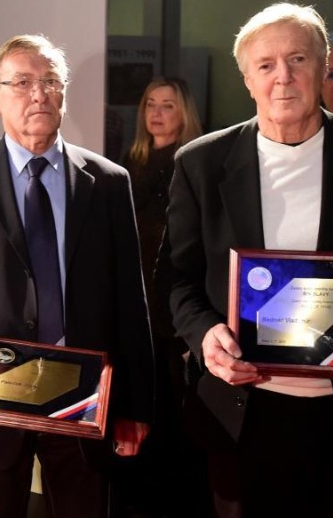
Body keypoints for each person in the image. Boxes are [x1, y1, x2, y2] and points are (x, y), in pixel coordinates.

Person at [165, 2, 333, 517]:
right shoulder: (201, 162)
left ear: (322, 68)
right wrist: (204, 334)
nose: (283, 77)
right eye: (266, 65)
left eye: (298, 59)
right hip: (240, 413)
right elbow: (177, 279)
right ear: (247, 79)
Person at [0, 34, 154, 517]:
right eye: (22, 82)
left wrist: (134, 406)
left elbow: (132, 300)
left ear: (64, 94)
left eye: (50, 82)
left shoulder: (108, 181)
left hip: (84, 395)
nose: (39, 94)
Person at [119, 76, 204, 515]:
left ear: (183, 112)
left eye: (167, 105)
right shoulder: (129, 162)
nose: (156, 113)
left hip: (171, 299)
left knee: (174, 398)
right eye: (150, 103)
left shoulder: (193, 162)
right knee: (138, 391)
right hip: (133, 295)